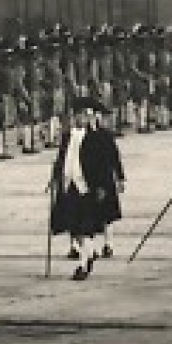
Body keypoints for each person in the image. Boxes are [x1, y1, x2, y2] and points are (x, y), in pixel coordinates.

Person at [48, 96, 125, 280]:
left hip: (87, 186)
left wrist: (104, 186)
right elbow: (61, 159)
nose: (82, 118)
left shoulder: (97, 138)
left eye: (86, 115)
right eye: (79, 115)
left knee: (86, 226)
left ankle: (85, 262)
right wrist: (54, 178)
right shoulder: (68, 136)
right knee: (74, 226)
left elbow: (104, 163)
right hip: (69, 185)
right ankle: (87, 254)